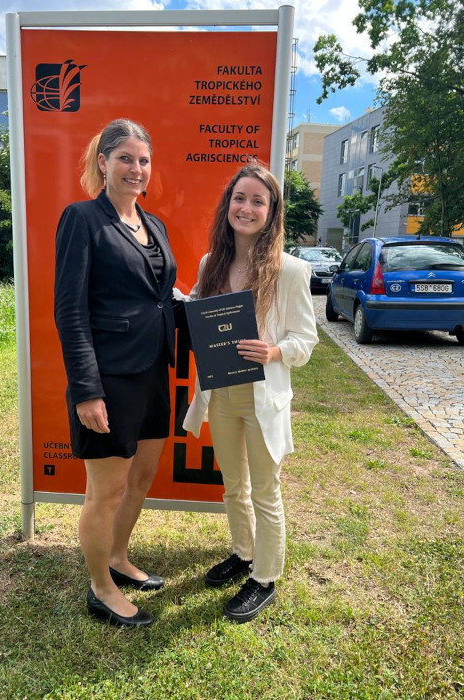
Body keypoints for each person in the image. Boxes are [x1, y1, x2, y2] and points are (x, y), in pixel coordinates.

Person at [54, 119, 177, 628]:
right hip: (108, 378)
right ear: (102, 162)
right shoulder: (81, 219)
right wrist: (86, 391)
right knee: (105, 490)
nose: (136, 168)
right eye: (125, 157)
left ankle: (119, 558)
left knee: (142, 478)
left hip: (153, 374)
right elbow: (70, 310)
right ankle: (100, 588)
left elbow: (159, 298)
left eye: (143, 159)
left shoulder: (157, 225)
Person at [183, 164, 318, 623]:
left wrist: (275, 350)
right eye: (240, 198)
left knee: (265, 490)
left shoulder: (291, 271)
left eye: (258, 201)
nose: (247, 207)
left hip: (264, 398)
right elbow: (197, 306)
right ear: (228, 206)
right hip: (220, 394)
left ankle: (264, 577)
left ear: (271, 212)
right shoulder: (211, 264)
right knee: (232, 487)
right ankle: (243, 552)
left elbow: (307, 340)